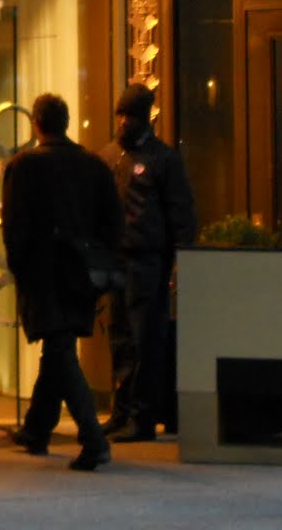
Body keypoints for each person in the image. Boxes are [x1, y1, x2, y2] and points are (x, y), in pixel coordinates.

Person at [1, 92, 123, 472]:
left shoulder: (24, 166)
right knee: (60, 346)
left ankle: (93, 438)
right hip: (82, 272)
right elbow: (113, 223)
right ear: (66, 123)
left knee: (59, 350)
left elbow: (15, 229)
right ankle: (37, 429)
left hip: (43, 272)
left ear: (36, 124)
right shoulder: (94, 165)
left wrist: (20, 271)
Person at [99, 81, 197, 441]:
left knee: (145, 340)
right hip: (116, 261)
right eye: (121, 115)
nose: (124, 122)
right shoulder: (109, 155)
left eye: (131, 116)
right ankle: (122, 410)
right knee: (120, 338)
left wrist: (180, 260)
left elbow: (181, 213)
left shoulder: (163, 159)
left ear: (145, 118)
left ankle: (142, 417)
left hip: (148, 261)